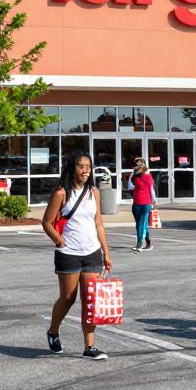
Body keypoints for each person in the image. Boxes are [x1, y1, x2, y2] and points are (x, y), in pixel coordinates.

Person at [42, 151, 112, 360]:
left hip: (91, 253)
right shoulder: (61, 193)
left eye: (88, 167)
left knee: (90, 300)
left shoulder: (94, 192)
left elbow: (98, 223)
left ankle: (89, 347)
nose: (85, 170)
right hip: (69, 253)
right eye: (81, 166)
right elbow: (46, 222)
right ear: (72, 167)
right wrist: (58, 239)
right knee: (68, 298)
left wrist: (106, 251)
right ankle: (53, 331)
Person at [126, 157, 156, 252]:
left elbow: (151, 189)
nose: (137, 166)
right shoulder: (134, 176)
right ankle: (147, 242)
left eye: (139, 164)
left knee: (142, 224)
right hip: (136, 203)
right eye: (136, 164)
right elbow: (129, 187)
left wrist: (154, 200)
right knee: (140, 224)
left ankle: (139, 243)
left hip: (146, 203)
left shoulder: (148, 176)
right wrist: (133, 177)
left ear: (143, 165)